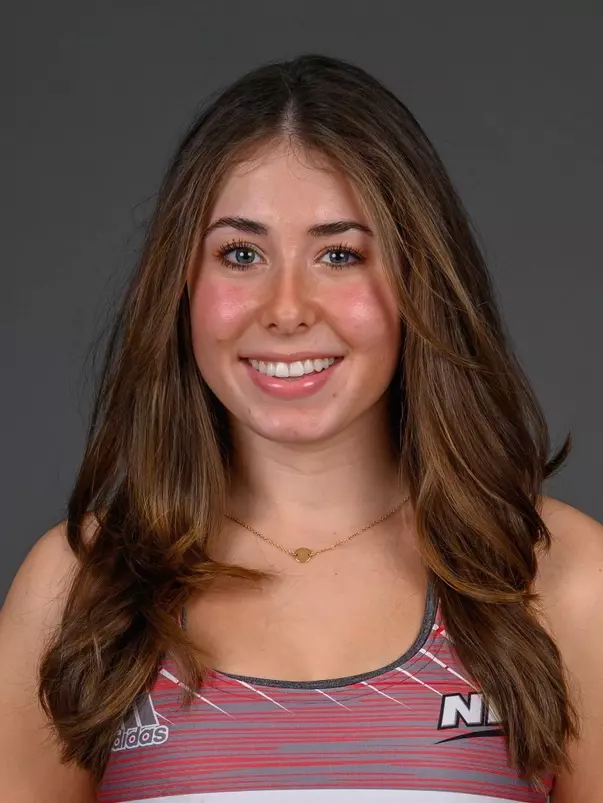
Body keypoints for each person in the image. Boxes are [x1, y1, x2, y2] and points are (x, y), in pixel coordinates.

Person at [0, 54, 601, 803]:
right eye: (241, 254)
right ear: (182, 283)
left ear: (420, 278)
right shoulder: (79, 586)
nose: (286, 308)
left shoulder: (559, 578)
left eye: (339, 254)